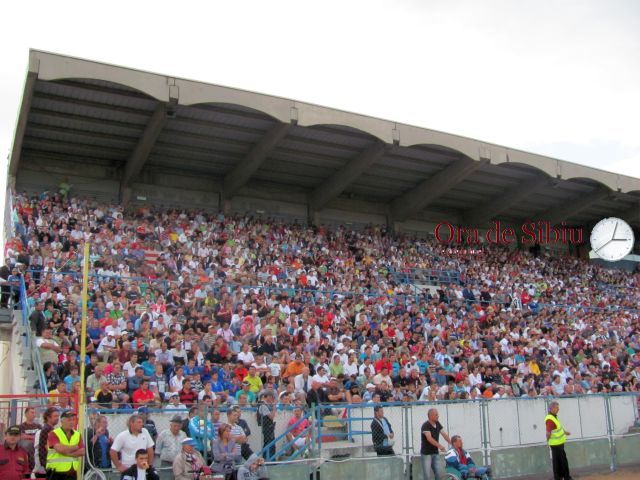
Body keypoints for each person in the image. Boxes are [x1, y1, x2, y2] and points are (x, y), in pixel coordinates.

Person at [45, 410, 85, 480]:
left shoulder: (77, 434)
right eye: (69, 420)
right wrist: (75, 447)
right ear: (62, 421)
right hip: (56, 473)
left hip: (71, 473)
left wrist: (68, 453)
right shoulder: (54, 433)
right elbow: (60, 449)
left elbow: (82, 451)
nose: (72, 422)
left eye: (73, 420)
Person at [421, 408, 451, 480]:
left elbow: (444, 434)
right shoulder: (426, 425)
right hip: (426, 453)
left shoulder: (437, 423)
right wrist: (440, 446)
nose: (438, 416)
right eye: (436, 415)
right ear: (430, 416)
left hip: (435, 452)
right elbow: (429, 438)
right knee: (427, 475)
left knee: (438, 473)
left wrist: (451, 443)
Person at [545, 401, 573, 480]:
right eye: (557, 407)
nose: (558, 409)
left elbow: (558, 427)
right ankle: (563, 477)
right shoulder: (550, 419)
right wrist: (547, 440)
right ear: (552, 408)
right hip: (556, 445)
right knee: (559, 462)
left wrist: (565, 432)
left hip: (558, 444)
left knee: (560, 461)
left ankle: (563, 477)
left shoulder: (553, 417)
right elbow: (548, 432)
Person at [257, 391, 276, 459]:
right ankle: (268, 459)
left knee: (269, 443)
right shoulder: (263, 405)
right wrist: (274, 408)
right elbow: (271, 416)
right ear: (267, 397)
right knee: (268, 443)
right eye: (271, 397)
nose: (272, 399)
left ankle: (269, 459)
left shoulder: (264, 405)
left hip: (268, 427)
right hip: (267, 428)